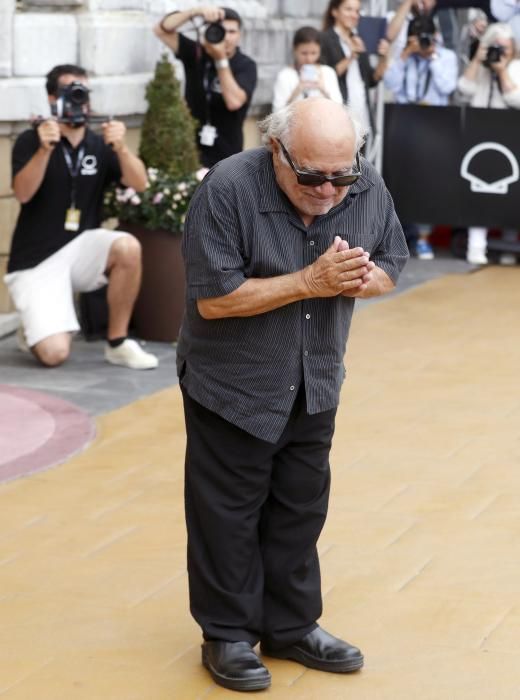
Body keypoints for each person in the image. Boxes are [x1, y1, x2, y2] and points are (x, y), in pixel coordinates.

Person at [176, 97, 409, 692]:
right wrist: (309, 283)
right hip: (233, 384)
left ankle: (292, 626)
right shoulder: (227, 188)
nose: (329, 189)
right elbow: (215, 297)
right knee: (227, 515)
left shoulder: (364, 185)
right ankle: (227, 634)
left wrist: (361, 277)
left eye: (342, 173)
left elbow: (390, 263)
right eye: (311, 175)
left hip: (316, 379)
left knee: (300, 510)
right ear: (276, 150)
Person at [4, 64, 158, 370]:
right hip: (36, 260)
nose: (79, 100)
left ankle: (117, 343)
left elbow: (140, 184)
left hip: (81, 249)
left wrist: (122, 149)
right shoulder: (30, 140)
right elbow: (22, 193)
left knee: (127, 246)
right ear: (51, 99)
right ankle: (35, 326)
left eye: (83, 92)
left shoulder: (99, 143)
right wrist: (45, 149)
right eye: (70, 92)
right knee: (54, 354)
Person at [384, 15, 458, 260]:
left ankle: (424, 239)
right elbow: (391, 83)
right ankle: (397, 237)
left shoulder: (446, 57)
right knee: (401, 182)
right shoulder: (404, 56)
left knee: (429, 184)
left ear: (435, 36)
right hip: (405, 122)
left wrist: (433, 57)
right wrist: (405, 55)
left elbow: (447, 87)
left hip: (434, 125)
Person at [153, 5, 257, 168]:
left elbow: (234, 102)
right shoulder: (197, 53)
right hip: (190, 150)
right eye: (221, 30)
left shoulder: (245, 65)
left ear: (239, 35)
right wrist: (195, 11)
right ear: (210, 31)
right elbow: (161, 30)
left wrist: (220, 58)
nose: (226, 37)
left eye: (232, 32)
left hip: (227, 155)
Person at [458, 21, 520, 264]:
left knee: (512, 191)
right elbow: (463, 91)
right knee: (480, 191)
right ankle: (476, 246)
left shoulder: (516, 67)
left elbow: (517, 99)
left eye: (505, 47)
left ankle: (509, 244)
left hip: (511, 136)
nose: (500, 52)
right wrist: (477, 60)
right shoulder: (480, 69)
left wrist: (503, 70)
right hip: (480, 134)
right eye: (496, 47)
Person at [320, 0, 390, 138]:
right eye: (349, 9)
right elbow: (325, 77)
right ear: (334, 11)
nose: (354, 15)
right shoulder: (324, 38)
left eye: (357, 11)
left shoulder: (359, 39)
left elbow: (371, 80)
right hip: (336, 118)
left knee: (360, 159)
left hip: (361, 118)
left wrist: (384, 58)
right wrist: (351, 57)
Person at [272, 26, 342, 112]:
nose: (309, 58)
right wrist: (297, 90)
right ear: (295, 50)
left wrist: (323, 89)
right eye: (304, 53)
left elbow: (340, 108)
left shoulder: (328, 72)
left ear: (320, 50)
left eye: (314, 53)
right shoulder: (285, 75)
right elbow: (277, 112)